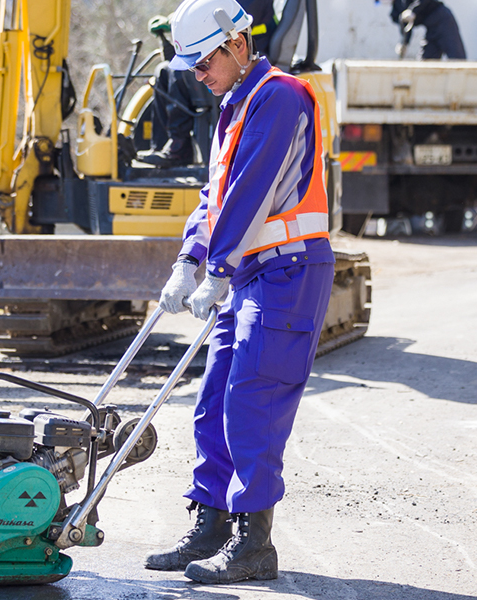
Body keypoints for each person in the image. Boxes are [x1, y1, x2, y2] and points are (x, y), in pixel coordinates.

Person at [144, 0, 335, 585]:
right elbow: (214, 196)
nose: (197, 75)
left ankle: (255, 545)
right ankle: (211, 524)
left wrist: (217, 268)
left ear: (236, 44)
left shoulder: (279, 96)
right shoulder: (233, 104)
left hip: (288, 271)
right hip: (253, 272)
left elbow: (251, 191)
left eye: (203, 62)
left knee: (253, 399)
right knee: (214, 402)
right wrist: (188, 260)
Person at [138, 0, 275, 168]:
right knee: (163, 71)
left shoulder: (279, 94)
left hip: (250, 49)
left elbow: (224, 16)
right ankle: (169, 145)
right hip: (226, 47)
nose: (198, 76)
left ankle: (179, 148)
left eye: (202, 66)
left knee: (177, 74)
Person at [391, 0, 466, 60]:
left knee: (457, 59)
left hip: (443, 21)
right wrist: (404, 43)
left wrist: (414, 10)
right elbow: (407, 25)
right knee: (426, 62)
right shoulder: (396, 8)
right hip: (430, 28)